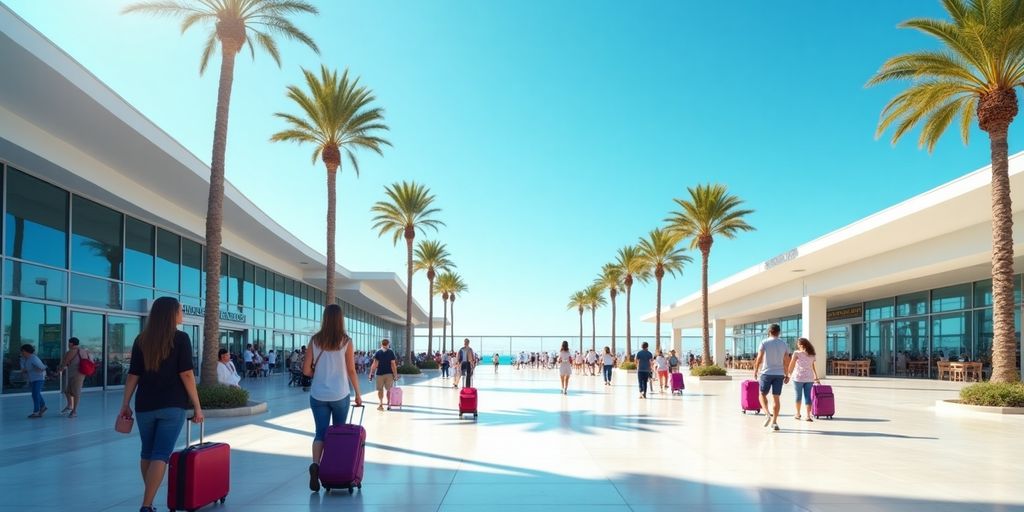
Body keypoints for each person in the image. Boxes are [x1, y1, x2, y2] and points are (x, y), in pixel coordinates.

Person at [119, 296, 204, 512]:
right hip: (172, 405)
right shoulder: (181, 338)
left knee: (147, 452)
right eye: (180, 311)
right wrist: (197, 406)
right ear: (171, 314)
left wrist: (125, 403)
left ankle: (149, 501)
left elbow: (133, 375)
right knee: (160, 454)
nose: (182, 314)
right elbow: (186, 374)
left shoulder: (142, 339)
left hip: (144, 405)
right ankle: (146, 505)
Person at [303, 304, 362, 492]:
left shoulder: (315, 340)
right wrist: (358, 394)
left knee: (320, 432)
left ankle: (316, 465)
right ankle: (334, 471)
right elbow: (351, 370)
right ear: (340, 319)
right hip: (339, 394)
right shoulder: (346, 341)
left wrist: (319, 374)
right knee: (337, 433)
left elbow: (305, 370)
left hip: (318, 394)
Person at [753, 323, 791, 432]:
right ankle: (774, 422)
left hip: (766, 373)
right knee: (776, 398)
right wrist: (787, 374)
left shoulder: (764, 342)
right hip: (779, 374)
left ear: (769, 332)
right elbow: (786, 361)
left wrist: (755, 370)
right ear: (779, 332)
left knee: (762, 395)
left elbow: (759, 358)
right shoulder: (784, 344)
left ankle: (767, 414)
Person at [786, 337, 821, 422]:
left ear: (801, 345)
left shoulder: (797, 353)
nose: (797, 346)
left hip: (798, 377)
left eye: (798, 344)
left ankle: (798, 414)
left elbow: (791, 365)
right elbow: (813, 366)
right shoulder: (812, 354)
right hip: (809, 378)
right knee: (808, 396)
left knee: (798, 396)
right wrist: (816, 376)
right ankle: (808, 416)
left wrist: (787, 375)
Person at [58, 337, 89, 418]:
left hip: (77, 374)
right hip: (80, 374)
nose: (68, 344)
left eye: (69, 343)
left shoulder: (72, 351)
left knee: (76, 392)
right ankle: (69, 406)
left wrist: (59, 370)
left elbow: (64, 363)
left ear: (71, 343)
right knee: (67, 391)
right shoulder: (83, 351)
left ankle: (74, 411)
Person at [368, 339, 398, 411]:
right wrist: (395, 374)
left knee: (380, 390)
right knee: (389, 390)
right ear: (388, 344)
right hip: (389, 374)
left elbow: (375, 364)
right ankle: (388, 404)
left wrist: (371, 374)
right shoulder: (391, 352)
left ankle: (381, 404)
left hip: (379, 374)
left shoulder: (378, 352)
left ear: (381, 344)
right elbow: (393, 364)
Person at [20, 344, 48, 418]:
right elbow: (23, 369)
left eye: (23, 351)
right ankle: (43, 406)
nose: (22, 353)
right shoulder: (23, 359)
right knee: (36, 394)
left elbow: (43, 367)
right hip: (32, 379)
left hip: (39, 378)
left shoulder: (34, 358)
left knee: (35, 394)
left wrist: (38, 369)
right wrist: (26, 370)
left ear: (27, 351)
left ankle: (36, 411)